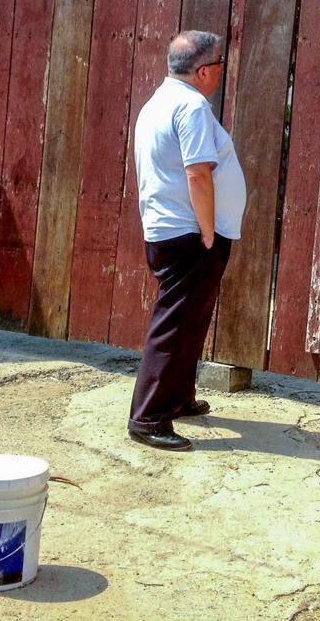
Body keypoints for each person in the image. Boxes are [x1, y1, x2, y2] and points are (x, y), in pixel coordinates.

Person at [127, 31, 246, 451]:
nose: (221, 72)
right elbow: (198, 173)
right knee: (174, 326)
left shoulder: (159, 102)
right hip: (189, 233)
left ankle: (177, 397)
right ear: (203, 71)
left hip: (173, 229)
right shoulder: (191, 106)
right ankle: (148, 419)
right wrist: (208, 231)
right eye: (220, 64)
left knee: (191, 320)